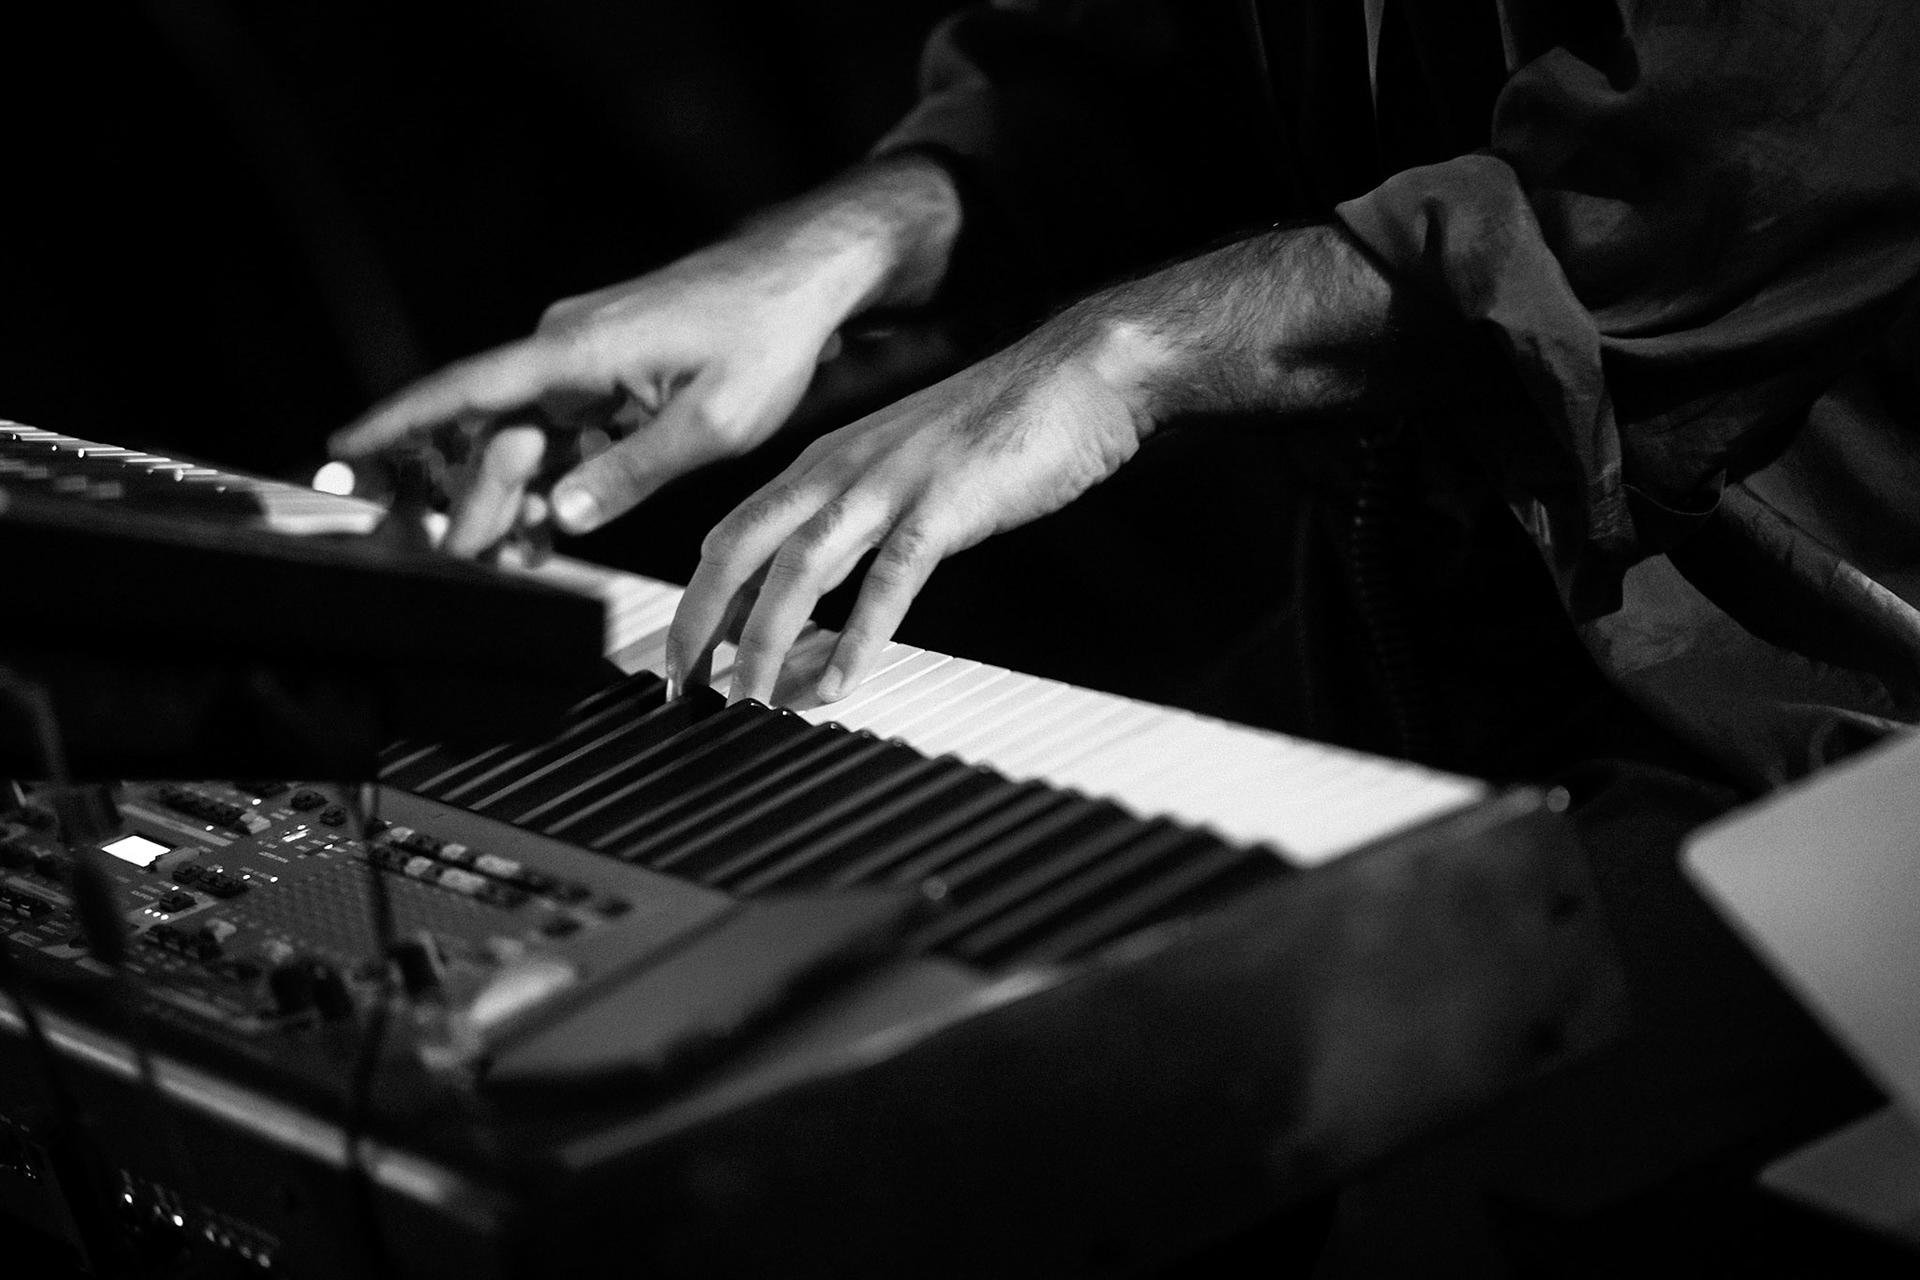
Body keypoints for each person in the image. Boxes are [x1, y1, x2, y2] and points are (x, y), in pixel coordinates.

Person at [336, 0, 1920, 1264]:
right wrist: (829, 256)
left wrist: (1123, 354)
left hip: (1813, 722)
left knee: (1425, 1188)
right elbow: (1127, 75)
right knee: (961, 1107)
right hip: (1428, 641)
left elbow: (1714, 179)